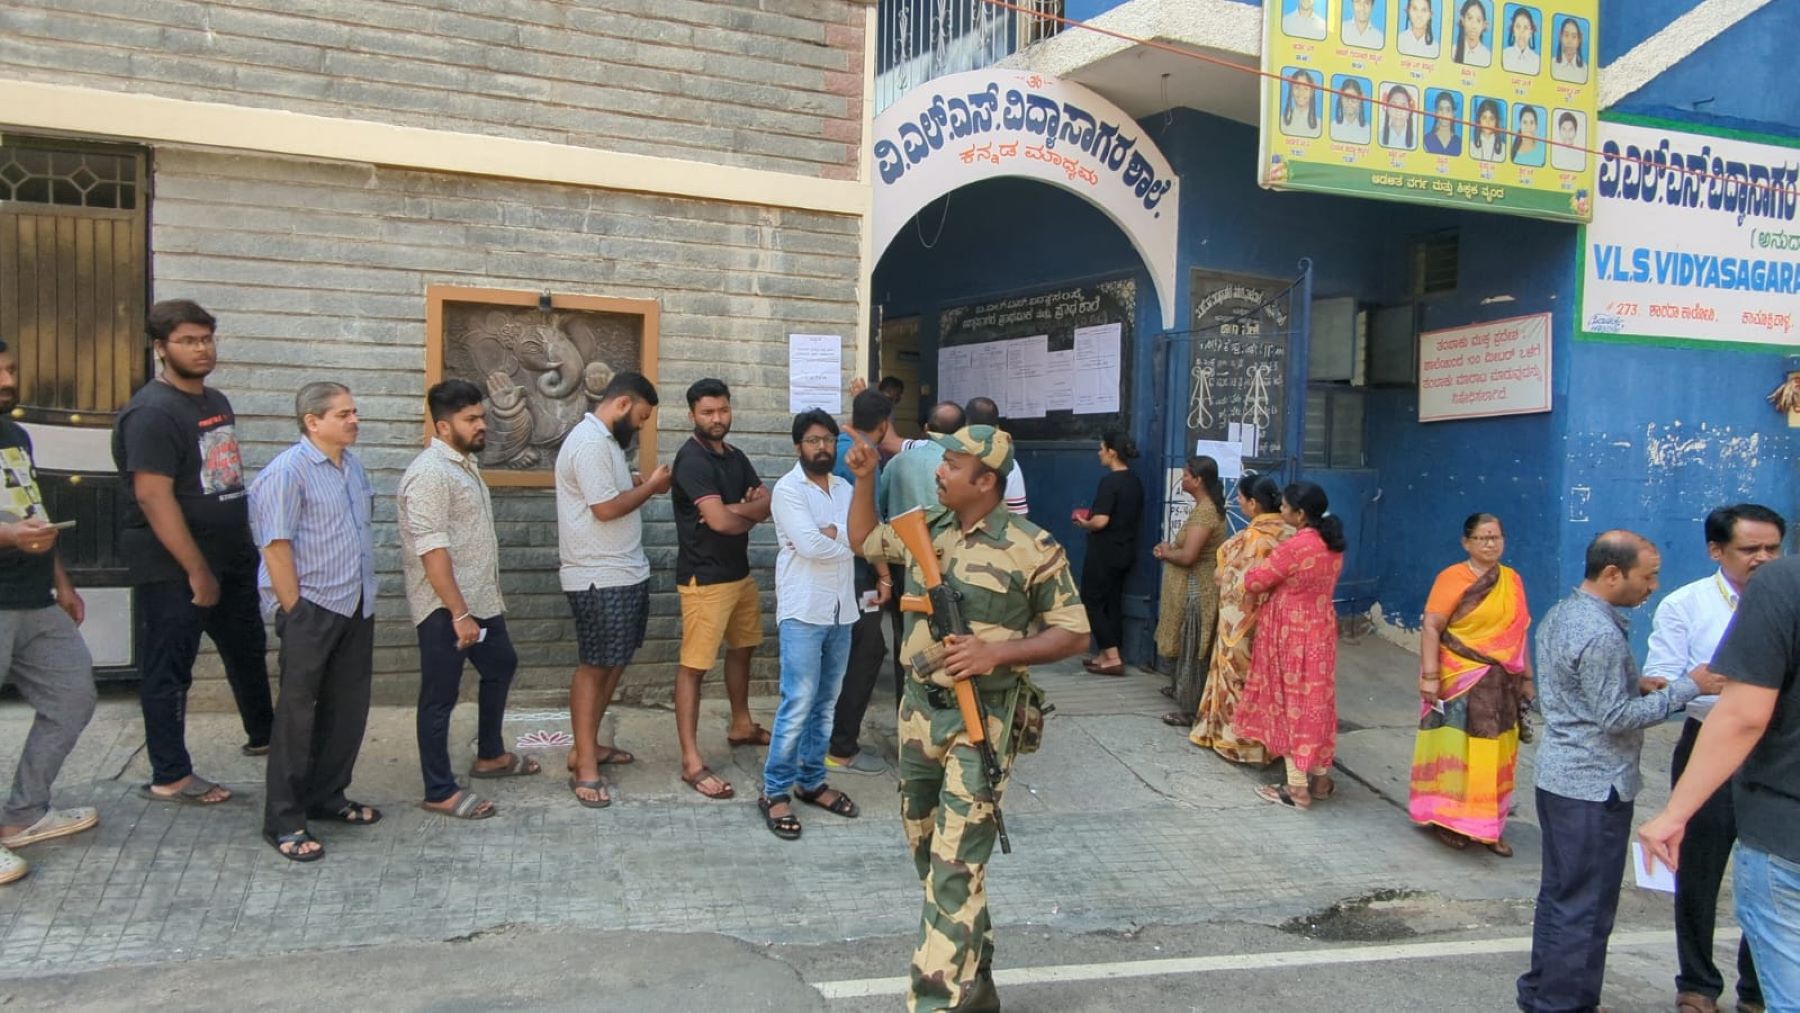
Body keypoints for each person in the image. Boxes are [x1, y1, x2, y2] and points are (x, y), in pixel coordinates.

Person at [846, 424, 1088, 1012]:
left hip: (983, 723)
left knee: (955, 870)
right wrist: (863, 479)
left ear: (987, 481)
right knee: (931, 859)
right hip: (917, 718)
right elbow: (861, 540)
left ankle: (933, 1002)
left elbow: (1074, 634)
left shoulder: (1034, 548)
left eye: (953, 464)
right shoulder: (923, 528)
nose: (940, 471)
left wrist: (995, 652)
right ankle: (975, 982)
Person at [1517, 531, 1720, 1013]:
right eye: (1647, 576)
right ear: (1613, 574)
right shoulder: (1601, 632)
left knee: (1561, 897)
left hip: (1562, 777)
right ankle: (1565, 1003)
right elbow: (1615, 718)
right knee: (1586, 907)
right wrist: (1686, 688)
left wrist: (1635, 683)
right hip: (1593, 784)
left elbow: (1579, 690)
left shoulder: (1564, 613)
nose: (1653, 586)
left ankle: (1545, 993)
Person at [112, 299, 274, 806]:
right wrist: (196, 571)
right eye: (187, 340)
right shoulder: (151, 413)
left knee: (247, 651)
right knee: (169, 669)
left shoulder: (214, 401)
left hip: (230, 555)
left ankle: (266, 735)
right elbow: (152, 496)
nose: (201, 349)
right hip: (175, 567)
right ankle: (171, 774)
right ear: (160, 348)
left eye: (206, 338)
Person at [1639, 551, 1800, 1013]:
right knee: (1701, 875)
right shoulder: (1686, 602)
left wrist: (1673, 814)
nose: (1761, 557)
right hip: (1726, 761)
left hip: (1782, 823)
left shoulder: (1782, 585)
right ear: (1717, 549)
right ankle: (1699, 983)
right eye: (1750, 549)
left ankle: (1748, 991)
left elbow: (1744, 715)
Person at [250, 382, 381, 862]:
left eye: (354, 411)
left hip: (355, 603)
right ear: (313, 421)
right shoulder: (287, 473)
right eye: (343, 413)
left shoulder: (352, 467)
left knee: (347, 709)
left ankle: (328, 796)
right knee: (297, 716)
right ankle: (283, 820)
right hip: (313, 608)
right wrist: (295, 610)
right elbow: (276, 545)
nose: (354, 420)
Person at [397, 380, 537, 823]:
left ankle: (490, 755)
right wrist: (458, 613)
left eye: (481, 416)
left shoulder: (462, 465)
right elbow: (432, 551)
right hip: (446, 608)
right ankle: (439, 789)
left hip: (479, 601)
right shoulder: (430, 474)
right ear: (443, 425)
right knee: (439, 696)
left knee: (501, 665)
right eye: (471, 419)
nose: (483, 424)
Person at [0, 337, 98, 886]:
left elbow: (31, 511)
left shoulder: (15, 434)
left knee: (73, 695)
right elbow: (17, 527)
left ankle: (23, 815)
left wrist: (62, 581)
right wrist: (12, 536)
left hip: (34, 597)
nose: (8, 380)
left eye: (10, 369)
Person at [556, 371, 669, 809]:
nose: (640, 426)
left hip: (623, 571)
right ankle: (585, 764)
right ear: (622, 404)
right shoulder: (588, 443)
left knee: (615, 660)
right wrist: (654, 488)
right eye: (640, 418)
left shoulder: (605, 443)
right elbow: (604, 510)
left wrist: (638, 484)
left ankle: (587, 747)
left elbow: (607, 495)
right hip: (596, 574)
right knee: (595, 665)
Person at [760, 410, 862, 840]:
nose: (821, 447)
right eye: (813, 440)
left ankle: (812, 781)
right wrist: (848, 539)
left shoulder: (844, 487)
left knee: (826, 704)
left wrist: (836, 534)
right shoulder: (787, 490)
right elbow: (810, 544)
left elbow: (856, 534)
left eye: (828, 440)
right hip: (803, 609)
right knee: (798, 703)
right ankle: (775, 791)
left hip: (843, 610)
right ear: (797, 445)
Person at [1408, 513, 1534, 856]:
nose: (1490, 544)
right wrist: (1430, 676)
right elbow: (1432, 626)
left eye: (1496, 537)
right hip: (1460, 678)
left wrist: (1527, 678)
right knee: (1456, 750)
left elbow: (1519, 631)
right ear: (1467, 543)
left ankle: (1488, 825)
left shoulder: (1512, 580)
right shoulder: (1452, 578)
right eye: (1483, 538)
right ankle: (1449, 820)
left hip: (1502, 684)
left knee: (1496, 754)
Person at [670, 378, 772, 800]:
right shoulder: (691, 460)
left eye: (723, 410)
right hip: (704, 578)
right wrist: (740, 513)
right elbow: (723, 523)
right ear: (692, 414)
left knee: (743, 647)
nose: (717, 418)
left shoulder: (735, 456)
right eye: (708, 412)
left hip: (738, 573)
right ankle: (691, 761)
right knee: (694, 667)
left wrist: (735, 511)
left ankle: (741, 724)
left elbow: (767, 501)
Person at [1236, 481, 1346, 809]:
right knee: (1317, 702)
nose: (1280, 511)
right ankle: (1321, 780)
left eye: (1284, 507)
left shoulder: (1297, 546)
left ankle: (1296, 788)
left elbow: (1256, 581)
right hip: (1321, 629)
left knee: (1289, 704)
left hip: (1290, 633)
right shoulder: (1333, 543)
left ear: (1300, 514)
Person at [1190, 473, 1290, 764]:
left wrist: (1224, 576)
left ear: (1253, 504)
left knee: (1238, 679)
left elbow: (1231, 579)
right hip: (1280, 622)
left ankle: (1236, 741)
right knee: (1271, 682)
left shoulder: (1252, 539)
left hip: (1244, 622)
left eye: (1242, 498)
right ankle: (1271, 744)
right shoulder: (1291, 533)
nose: (1237, 501)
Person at [825, 390, 897, 778]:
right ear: (884, 423)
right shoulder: (866, 458)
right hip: (859, 575)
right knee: (869, 649)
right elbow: (869, 528)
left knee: (835, 654)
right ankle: (841, 748)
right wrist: (885, 575)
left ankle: (824, 737)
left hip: (826, 573)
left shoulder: (830, 447)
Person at [1152, 456, 1227, 728]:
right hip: (1193, 586)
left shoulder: (1206, 512)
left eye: (1185, 475)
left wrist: (1166, 553)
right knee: (1185, 645)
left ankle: (1189, 709)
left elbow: (1188, 556)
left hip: (1199, 590)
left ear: (1198, 480)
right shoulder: (1204, 508)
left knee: (1194, 647)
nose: (1182, 479)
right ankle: (1180, 691)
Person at [1073, 431, 1143, 677]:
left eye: (1102, 447)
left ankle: (1111, 656)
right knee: (1112, 602)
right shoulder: (1134, 480)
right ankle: (1106, 654)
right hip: (1125, 549)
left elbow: (1101, 521)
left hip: (1105, 551)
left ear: (1112, 451)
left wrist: (1084, 523)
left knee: (1092, 601)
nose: (1099, 452)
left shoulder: (1110, 482)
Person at [964, 398, 1029, 516]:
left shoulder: (952, 461)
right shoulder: (1009, 464)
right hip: (994, 532)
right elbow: (1019, 515)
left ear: (965, 426)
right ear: (997, 428)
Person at [1281, 70, 1321, 138]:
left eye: (1306, 88)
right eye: (1297, 87)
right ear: (1291, 90)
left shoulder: (1319, 124)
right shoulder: (1281, 121)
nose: (1301, 93)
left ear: (1311, 92)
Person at [1332, 78, 1372, 144]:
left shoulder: (1367, 129)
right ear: (1341, 99)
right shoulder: (1333, 126)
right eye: (1346, 97)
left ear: (1359, 100)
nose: (1350, 102)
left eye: (1353, 98)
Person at [1502, 6, 1540, 75]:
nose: (1521, 32)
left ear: (1531, 32)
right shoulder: (1503, 56)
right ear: (1513, 30)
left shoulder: (1537, 61)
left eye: (1525, 27)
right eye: (1518, 26)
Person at [1452, 0, 1491, 65]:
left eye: (1478, 20)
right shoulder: (1453, 52)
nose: (1473, 25)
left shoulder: (1487, 57)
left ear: (1484, 25)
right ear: (1463, 20)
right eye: (1469, 18)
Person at [1550, 17, 1587, 83]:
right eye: (1566, 35)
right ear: (1560, 37)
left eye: (1574, 36)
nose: (1569, 41)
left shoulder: (1585, 70)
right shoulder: (1551, 65)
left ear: (1579, 40)